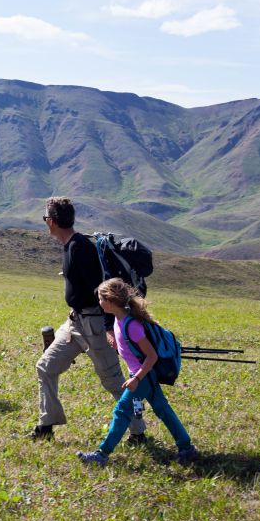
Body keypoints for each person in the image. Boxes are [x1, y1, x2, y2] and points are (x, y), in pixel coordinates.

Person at [30, 197, 147, 441]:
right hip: (75, 323)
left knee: (113, 380)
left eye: (45, 219)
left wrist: (108, 327)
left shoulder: (80, 248)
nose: (45, 223)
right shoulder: (70, 245)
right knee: (45, 367)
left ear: (51, 222)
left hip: (94, 325)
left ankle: (138, 432)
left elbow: (101, 290)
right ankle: (46, 426)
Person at [78, 278, 198, 466]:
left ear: (110, 301)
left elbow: (152, 356)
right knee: (163, 409)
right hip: (141, 375)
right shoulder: (119, 320)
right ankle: (187, 447)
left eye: (101, 299)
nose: (99, 302)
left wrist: (137, 378)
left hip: (143, 375)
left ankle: (102, 454)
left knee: (122, 410)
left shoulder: (131, 325)